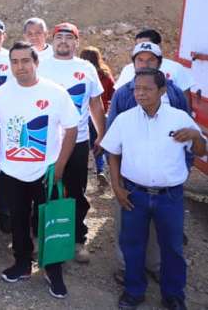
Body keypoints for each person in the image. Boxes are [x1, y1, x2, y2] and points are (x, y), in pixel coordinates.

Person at [101, 68, 206, 310]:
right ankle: (133, 291)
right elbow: (112, 153)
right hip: (133, 194)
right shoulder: (125, 119)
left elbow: (200, 151)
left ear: (162, 90)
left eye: (147, 89)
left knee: (172, 248)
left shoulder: (179, 118)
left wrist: (196, 135)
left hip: (170, 197)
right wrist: (116, 186)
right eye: (136, 88)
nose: (140, 93)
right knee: (132, 245)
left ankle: (173, 295)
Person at [0, 41, 79, 299]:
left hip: (46, 171)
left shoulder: (56, 92)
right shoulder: (0, 94)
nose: (20, 66)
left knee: (50, 220)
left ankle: (53, 269)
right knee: (18, 219)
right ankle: (22, 263)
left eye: (25, 61)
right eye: (14, 61)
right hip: (11, 170)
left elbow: (72, 128)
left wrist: (59, 165)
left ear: (36, 63)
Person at [107, 42, 190, 288]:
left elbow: (187, 134)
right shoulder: (124, 94)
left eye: (150, 60)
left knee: (165, 238)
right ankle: (129, 275)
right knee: (129, 234)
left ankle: (157, 270)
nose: (144, 64)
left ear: (159, 64)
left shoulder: (174, 94)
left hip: (167, 184)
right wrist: (117, 184)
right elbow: (113, 140)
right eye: (139, 60)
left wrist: (181, 169)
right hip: (133, 182)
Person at [38, 23, 106, 263]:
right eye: (59, 37)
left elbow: (95, 103)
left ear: (76, 42)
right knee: (43, 190)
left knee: (76, 191)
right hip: (47, 143)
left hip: (78, 140)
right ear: (52, 40)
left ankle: (78, 240)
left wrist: (101, 134)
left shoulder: (86, 68)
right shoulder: (41, 66)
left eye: (69, 37)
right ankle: (41, 238)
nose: (63, 41)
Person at [113, 29, 194, 102]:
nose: (142, 48)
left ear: (159, 46)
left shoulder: (176, 68)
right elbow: (117, 99)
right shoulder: (127, 69)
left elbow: (185, 101)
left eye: (146, 45)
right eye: (138, 46)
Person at [80, 46, 115, 185]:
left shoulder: (80, 72)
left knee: (81, 146)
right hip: (100, 115)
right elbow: (113, 93)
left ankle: (81, 171)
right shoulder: (105, 74)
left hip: (83, 115)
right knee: (98, 144)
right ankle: (100, 169)